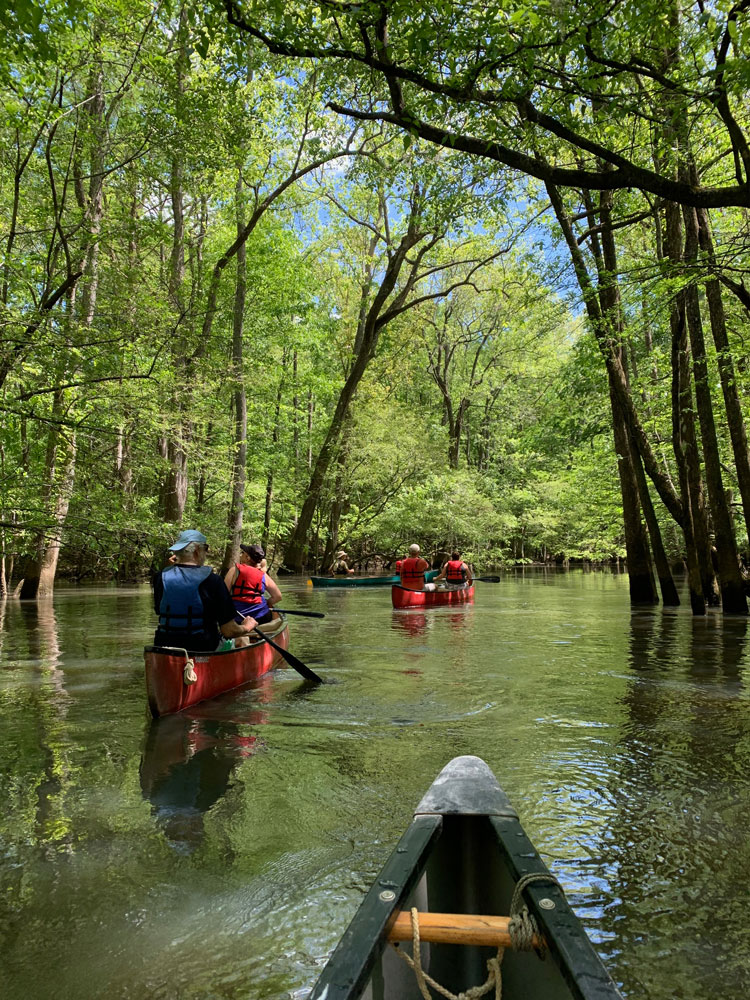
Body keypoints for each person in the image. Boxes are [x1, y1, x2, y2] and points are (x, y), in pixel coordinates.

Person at [153, 530, 259, 651]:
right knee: (240, 639)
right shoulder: (214, 581)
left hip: (163, 646)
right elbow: (229, 631)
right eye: (206, 548)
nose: (206, 552)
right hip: (202, 646)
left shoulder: (159, 577)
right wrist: (247, 627)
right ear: (197, 550)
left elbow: (160, 609)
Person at [224, 543, 282, 646]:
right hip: (261, 617)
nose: (240, 555)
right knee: (272, 614)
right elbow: (277, 596)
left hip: (238, 617)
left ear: (247, 557)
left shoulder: (234, 570)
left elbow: (222, 596)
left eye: (242, 553)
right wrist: (268, 604)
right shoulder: (263, 575)